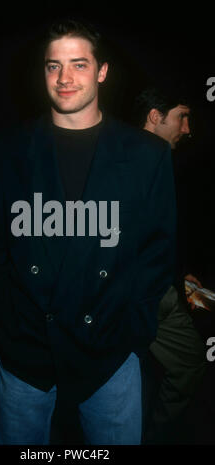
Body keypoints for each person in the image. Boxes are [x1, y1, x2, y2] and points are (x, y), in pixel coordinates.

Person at [0, 20, 176, 445]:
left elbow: (158, 252)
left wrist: (134, 333)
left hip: (110, 354)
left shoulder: (147, 155)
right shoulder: (4, 150)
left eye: (78, 64)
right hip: (25, 352)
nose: (64, 78)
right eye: (53, 66)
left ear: (101, 72)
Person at [133, 87, 207, 444]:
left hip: (162, 293)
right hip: (131, 299)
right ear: (155, 116)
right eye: (182, 116)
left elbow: (158, 233)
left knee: (189, 364)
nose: (188, 128)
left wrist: (180, 273)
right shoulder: (126, 160)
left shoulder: (163, 161)